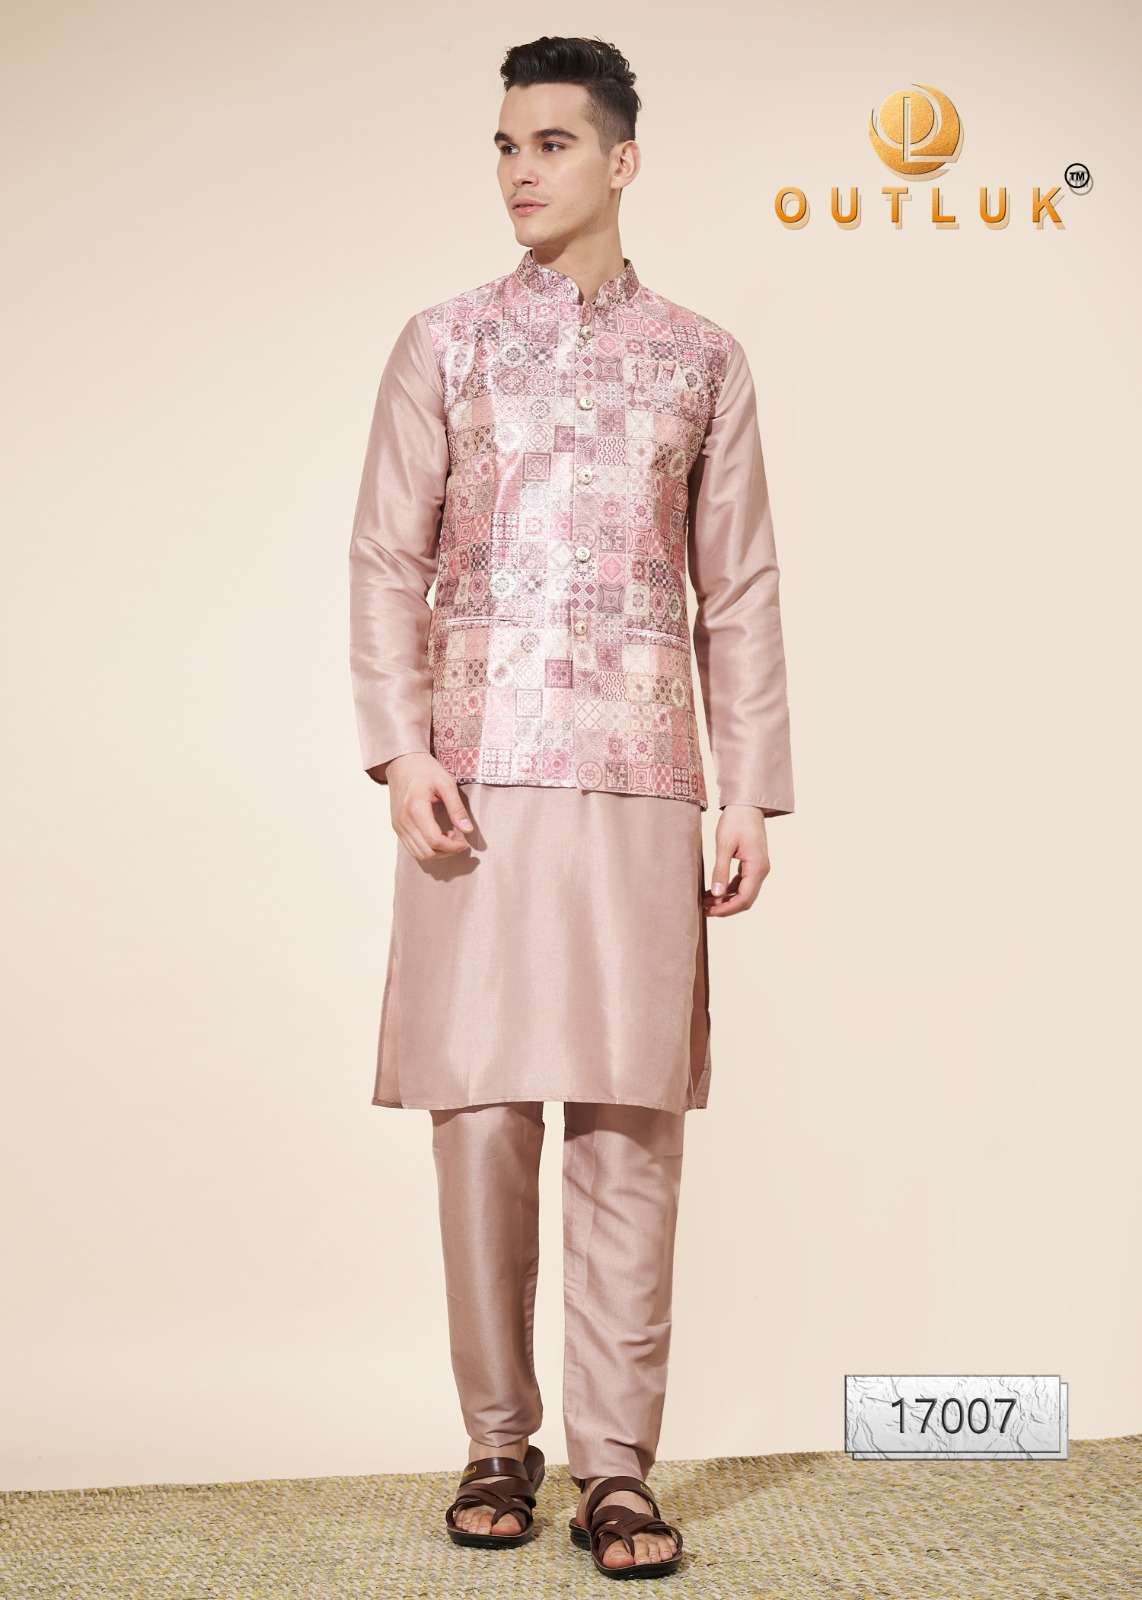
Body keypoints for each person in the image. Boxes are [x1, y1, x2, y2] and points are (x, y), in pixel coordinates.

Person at [347, 34, 794, 1579]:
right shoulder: (445, 343)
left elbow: (738, 585)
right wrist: (399, 749)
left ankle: (615, 1468)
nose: (519, 169)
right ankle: (497, 1440)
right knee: (478, 1120)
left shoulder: (700, 358)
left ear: (620, 160)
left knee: (626, 1122)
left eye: (549, 142)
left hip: (645, 774)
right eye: (503, 143)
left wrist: (750, 790)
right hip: (473, 774)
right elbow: (384, 557)